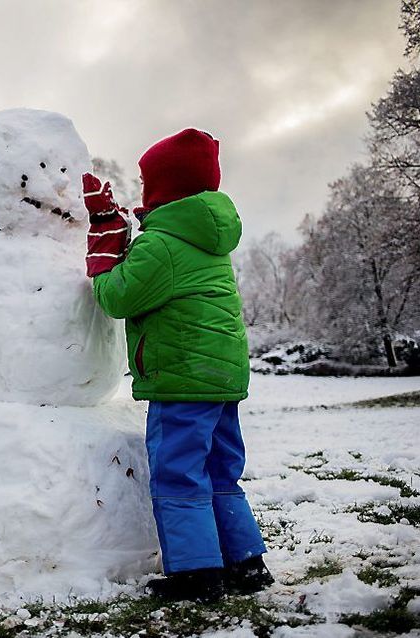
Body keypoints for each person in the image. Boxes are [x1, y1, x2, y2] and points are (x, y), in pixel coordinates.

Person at [82, 128, 272, 603]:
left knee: (178, 473)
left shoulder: (162, 244)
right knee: (221, 470)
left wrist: (106, 253)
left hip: (182, 378)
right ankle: (246, 564)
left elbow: (116, 296)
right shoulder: (207, 236)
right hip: (222, 377)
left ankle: (195, 573)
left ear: (163, 189)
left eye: (147, 182)